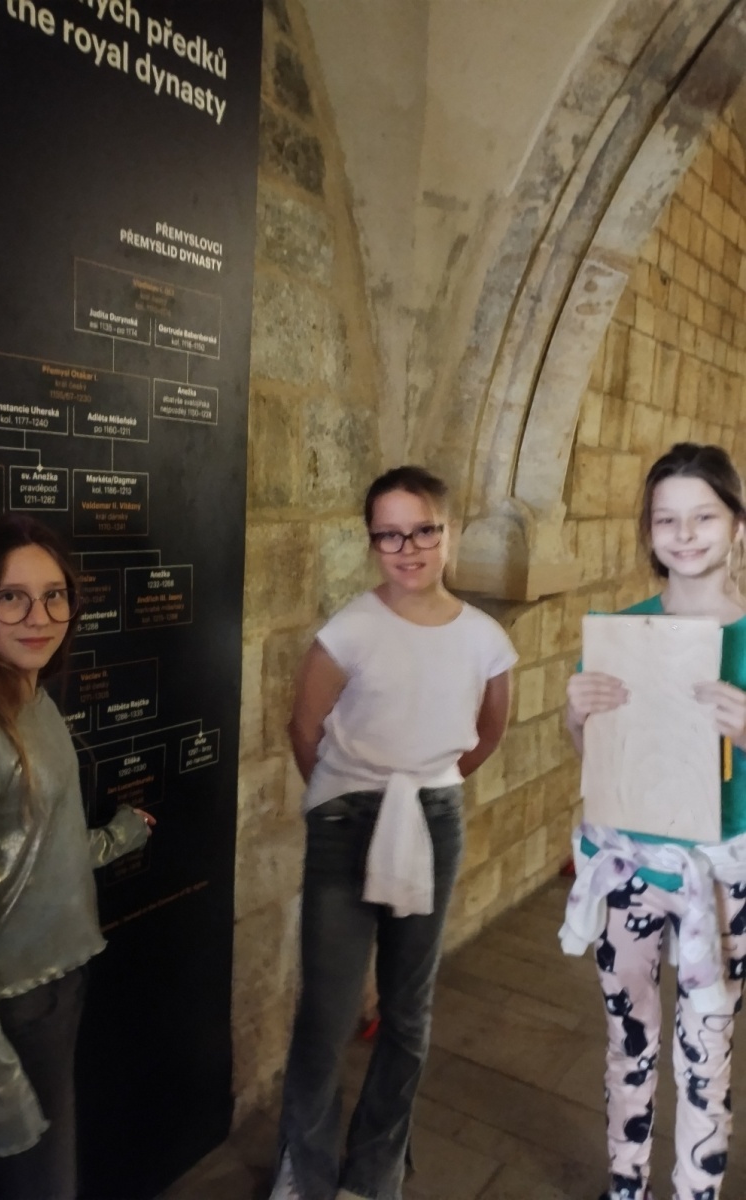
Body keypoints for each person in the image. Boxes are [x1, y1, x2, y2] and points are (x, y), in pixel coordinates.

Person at [270, 465, 517, 1200]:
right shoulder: (349, 630)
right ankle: (305, 1167)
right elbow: (305, 728)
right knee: (328, 1009)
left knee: (407, 1009)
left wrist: (427, 786)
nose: (407, 549)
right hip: (346, 820)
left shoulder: (484, 639)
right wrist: (348, 794)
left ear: (448, 532)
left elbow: (486, 732)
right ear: (372, 541)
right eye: (389, 535)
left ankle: (376, 1169)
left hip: (431, 820)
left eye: (422, 531)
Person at [0, 514, 154, 1200]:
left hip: (55, 990)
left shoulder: (31, 700)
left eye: (54, 595)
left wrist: (119, 836)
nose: (39, 617)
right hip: (9, 1010)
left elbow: (39, 851)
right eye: (11, 597)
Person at [562, 442, 746, 1200]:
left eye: (704, 516)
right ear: (648, 531)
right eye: (667, 519)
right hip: (630, 864)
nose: (685, 533)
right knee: (627, 1038)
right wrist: (576, 718)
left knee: (707, 1047)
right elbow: (598, 754)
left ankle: (696, 1189)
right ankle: (625, 1185)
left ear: (737, 525)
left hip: (725, 875)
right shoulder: (625, 633)